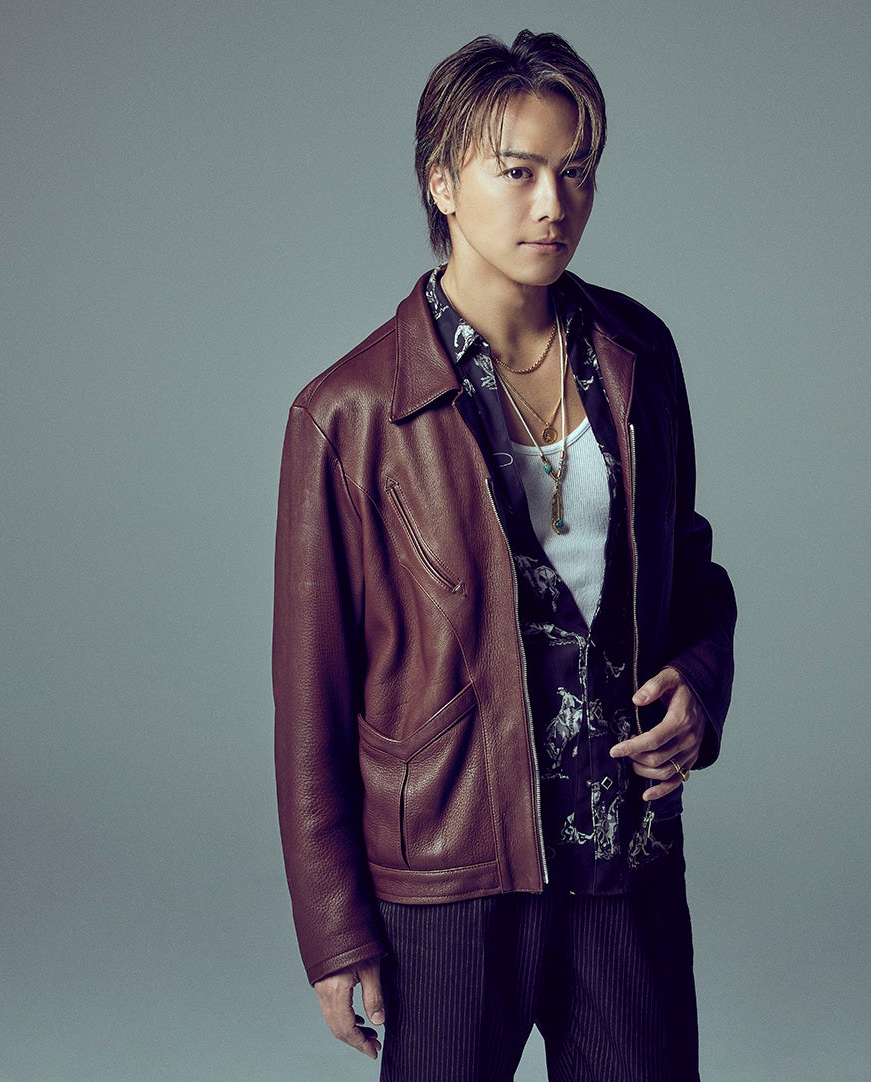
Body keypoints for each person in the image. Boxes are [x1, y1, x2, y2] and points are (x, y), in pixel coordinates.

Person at [273, 30, 736, 1081]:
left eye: (576, 172)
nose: (553, 204)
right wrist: (334, 930)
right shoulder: (349, 413)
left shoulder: (636, 355)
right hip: (451, 874)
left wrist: (700, 687)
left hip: (623, 856)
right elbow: (311, 693)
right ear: (442, 183)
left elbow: (692, 572)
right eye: (517, 171)